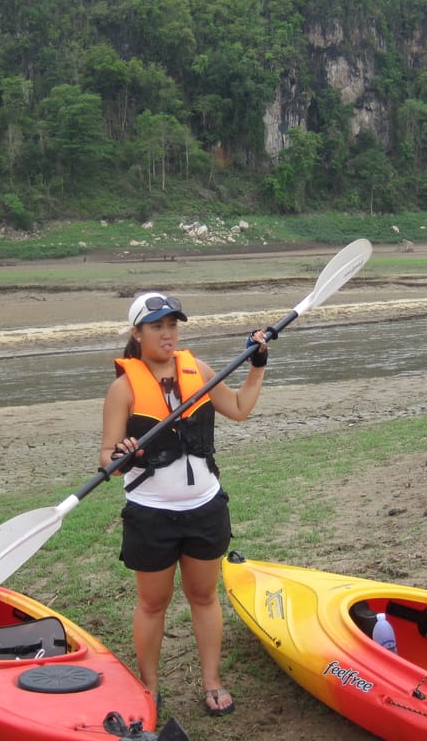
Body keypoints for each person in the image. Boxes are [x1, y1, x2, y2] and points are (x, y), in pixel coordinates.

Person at [100, 291, 269, 718]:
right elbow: (107, 460)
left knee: (204, 597)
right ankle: (149, 688)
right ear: (136, 334)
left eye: (172, 325)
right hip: (150, 512)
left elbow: (240, 409)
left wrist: (257, 367)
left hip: (204, 507)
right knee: (152, 603)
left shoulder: (202, 372)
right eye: (157, 326)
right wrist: (122, 454)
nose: (167, 333)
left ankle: (212, 681)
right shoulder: (123, 389)